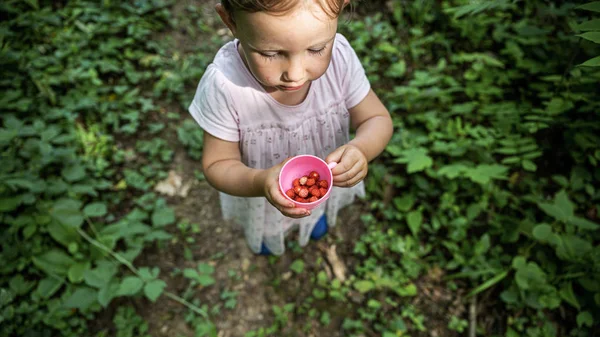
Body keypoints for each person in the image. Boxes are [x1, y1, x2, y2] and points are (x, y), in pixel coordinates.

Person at [188, 0, 393, 256]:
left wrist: (360, 149)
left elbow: (376, 119)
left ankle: (315, 222)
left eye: (317, 48)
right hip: (262, 198)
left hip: (322, 186)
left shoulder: (340, 59)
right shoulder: (225, 86)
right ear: (230, 21)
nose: (295, 74)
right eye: (271, 54)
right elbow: (217, 164)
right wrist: (260, 182)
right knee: (267, 236)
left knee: (317, 218)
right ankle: (269, 240)